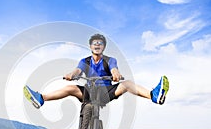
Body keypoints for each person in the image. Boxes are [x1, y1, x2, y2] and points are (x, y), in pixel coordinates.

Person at [23, 34, 169, 109]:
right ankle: (41, 98)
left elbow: (114, 69)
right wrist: (71, 75)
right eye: (95, 43)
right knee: (70, 88)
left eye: (100, 43)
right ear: (90, 46)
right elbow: (77, 71)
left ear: (103, 47)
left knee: (127, 84)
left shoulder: (110, 60)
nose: (97, 45)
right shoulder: (85, 61)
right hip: (89, 91)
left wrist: (116, 74)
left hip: (106, 91)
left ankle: (154, 96)